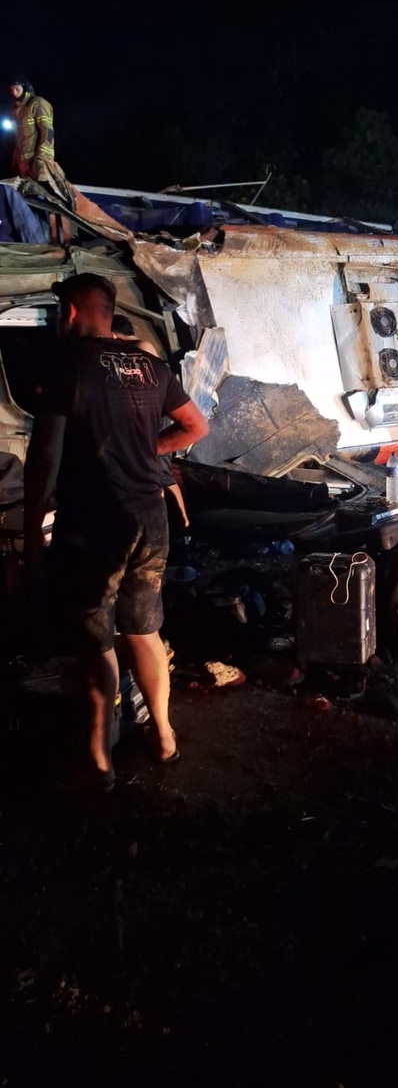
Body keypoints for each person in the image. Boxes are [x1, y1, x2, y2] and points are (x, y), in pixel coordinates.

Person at [24, 273, 209, 791]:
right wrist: (147, 451)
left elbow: (44, 454)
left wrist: (32, 525)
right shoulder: (151, 366)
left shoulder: (67, 365)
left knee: (95, 640)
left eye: (60, 310)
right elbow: (196, 427)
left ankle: (99, 763)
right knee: (144, 631)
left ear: (74, 312)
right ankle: (166, 737)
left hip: (95, 521)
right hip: (150, 517)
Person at [112, 314, 190, 531]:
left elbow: (145, 387)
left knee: (159, 472)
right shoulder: (138, 349)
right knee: (159, 471)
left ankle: (178, 526)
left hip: (155, 417)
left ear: (115, 335)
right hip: (155, 416)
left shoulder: (141, 347)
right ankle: (178, 527)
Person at [8, 76, 76, 204]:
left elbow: (47, 131)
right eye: (11, 90)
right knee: (26, 202)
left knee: (42, 200)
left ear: (26, 88)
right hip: (23, 166)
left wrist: (43, 157)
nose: (14, 92)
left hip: (37, 163)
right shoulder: (16, 110)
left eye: (17, 89)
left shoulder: (37, 103)